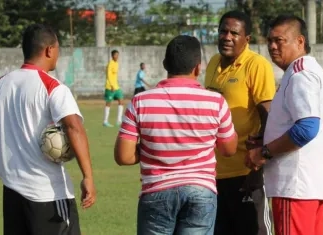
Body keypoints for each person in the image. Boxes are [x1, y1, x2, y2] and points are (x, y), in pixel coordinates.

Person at [114, 35, 238, 235]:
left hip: (156, 191)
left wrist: (152, 147)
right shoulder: (216, 102)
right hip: (201, 192)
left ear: (165, 64)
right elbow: (229, 149)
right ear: (198, 68)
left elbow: (124, 156)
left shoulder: (140, 102)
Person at [0, 24, 96, 235]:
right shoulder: (52, 86)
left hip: (12, 192)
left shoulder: (1, 84)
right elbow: (74, 127)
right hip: (47, 193)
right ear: (49, 50)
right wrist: (87, 176)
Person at [246, 14, 323, 235]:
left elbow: (306, 128)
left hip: (294, 186)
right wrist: (265, 137)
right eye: (270, 41)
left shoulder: (300, 75)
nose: (273, 46)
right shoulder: (308, 71)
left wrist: (264, 152)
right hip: (310, 185)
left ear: (300, 41)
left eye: (280, 40)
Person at [204, 10, 275, 235]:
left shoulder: (256, 65)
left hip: (246, 173)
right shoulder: (213, 63)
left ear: (247, 39)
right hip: (213, 173)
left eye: (234, 33)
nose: (227, 37)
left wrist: (258, 165)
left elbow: (269, 116)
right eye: (223, 31)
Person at [103, 49, 124, 127]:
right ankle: (105, 121)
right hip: (110, 87)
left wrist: (115, 85)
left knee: (121, 101)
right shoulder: (110, 64)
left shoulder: (117, 63)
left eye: (118, 55)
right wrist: (111, 85)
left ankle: (119, 120)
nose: (117, 56)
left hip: (116, 87)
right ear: (112, 56)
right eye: (115, 55)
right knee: (108, 103)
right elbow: (108, 75)